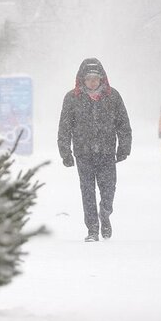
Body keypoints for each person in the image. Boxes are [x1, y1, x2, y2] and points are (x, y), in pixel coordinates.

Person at [57, 58, 132, 242]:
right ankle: (92, 228)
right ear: (82, 79)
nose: (92, 81)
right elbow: (64, 128)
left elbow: (123, 124)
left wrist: (124, 147)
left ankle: (105, 213)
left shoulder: (113, 96)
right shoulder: (72, 98)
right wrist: (65, 152)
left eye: (95, 78)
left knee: (108, 189)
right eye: (88, 78)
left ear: (101, 79)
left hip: (107, 153)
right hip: (83, 153)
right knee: (87, 191)